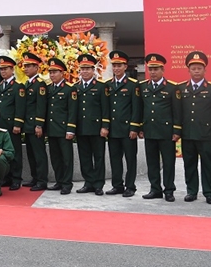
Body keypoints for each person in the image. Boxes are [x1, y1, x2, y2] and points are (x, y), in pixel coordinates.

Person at [178, 51, 211, 204]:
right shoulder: (181, 88)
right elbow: (179, 113)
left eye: (199, 68)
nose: (196, 71)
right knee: (189, 164)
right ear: (188, 70)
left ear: (205, 70)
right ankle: (191, 191)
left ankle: (209, 192)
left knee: (208, 165)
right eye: (193, 68)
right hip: (188, 134)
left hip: (206, 134)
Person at [140, 54, 182, 202]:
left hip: (166, 132)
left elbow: (177, 111)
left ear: (162, 70)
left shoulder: (172, 88)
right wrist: (140, 127)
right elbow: (141, 109)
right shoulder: (143, 87)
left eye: (156, 69)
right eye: (150, 69)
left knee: (168, 162)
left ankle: (169, 190)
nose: (153, 72)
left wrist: (177, 130)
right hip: (150, 130)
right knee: (152, 162)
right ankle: (155, 189)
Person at [106, 51, 142, 197]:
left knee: (130, 159)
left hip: (128, 130)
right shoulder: (108, 85)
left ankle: (130, 186)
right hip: (113, 129)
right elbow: (106, 108)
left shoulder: (133, 85)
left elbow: (136, 108)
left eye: (119, 65)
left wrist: (134, 127)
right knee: (115, 159)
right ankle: (117, 185)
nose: (116, 68)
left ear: (125, 66)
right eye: (114, 65)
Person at [74, 54, 110, 196]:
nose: (85, 71)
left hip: (97, 129)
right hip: (82, 128)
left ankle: (98, 184)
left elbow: (105, 108)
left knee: (99, 157)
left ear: (93, 70)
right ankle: (88, 182)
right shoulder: (76, 87)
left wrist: (105, 126)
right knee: (85, 157)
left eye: (88, 69)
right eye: (82, 69)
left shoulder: (101, 87)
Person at [45, 58, 77, 194]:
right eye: (50, 72)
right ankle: (59, 181)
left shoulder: (70, 89)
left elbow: (72, 111)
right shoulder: (48, 89)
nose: (52, 75)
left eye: (55, 72)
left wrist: (70, 129)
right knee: (55, 158)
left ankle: (67, 183)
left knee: (66, 158)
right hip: (52, 129)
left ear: (62, 73)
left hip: (64, 130)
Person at [0, 55, 25, 190]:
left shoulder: (18, 87)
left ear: (12, 70)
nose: (3, 72)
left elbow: (20, 107)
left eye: (5, 69)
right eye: (1, 69)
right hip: (1, 125)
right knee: (3, 153)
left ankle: (16, 178)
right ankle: (6, 177)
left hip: (12, 125)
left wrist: (18, 124)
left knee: (15, 152)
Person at [20, 52, 48, 191]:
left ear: (37, 68)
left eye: (29, 66)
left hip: (35, 125)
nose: (25, 69)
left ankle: (42, 180)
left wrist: (39, 125)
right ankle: (35, 178)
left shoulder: (40, 85)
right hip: (27, 125)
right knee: (31, 154)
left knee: (39, 154)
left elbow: (41, 106)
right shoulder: (27, 83)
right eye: (25, 66)